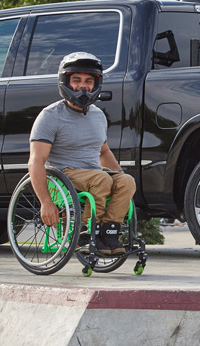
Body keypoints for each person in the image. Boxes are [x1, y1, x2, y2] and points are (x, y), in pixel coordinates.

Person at [28, 52, 136, 255]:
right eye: (76, 80)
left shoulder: (98, 115)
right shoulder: (50, 116)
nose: (83, 86)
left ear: (96, 84)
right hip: (63, 174)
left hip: (94, 174)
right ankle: (85, 232)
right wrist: (45, 203)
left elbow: (104, 151)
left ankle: (109, 234)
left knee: (127, 181)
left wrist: (119, 175)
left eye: (88, 81)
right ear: (65, 81)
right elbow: (36, 161)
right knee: (102, 179)